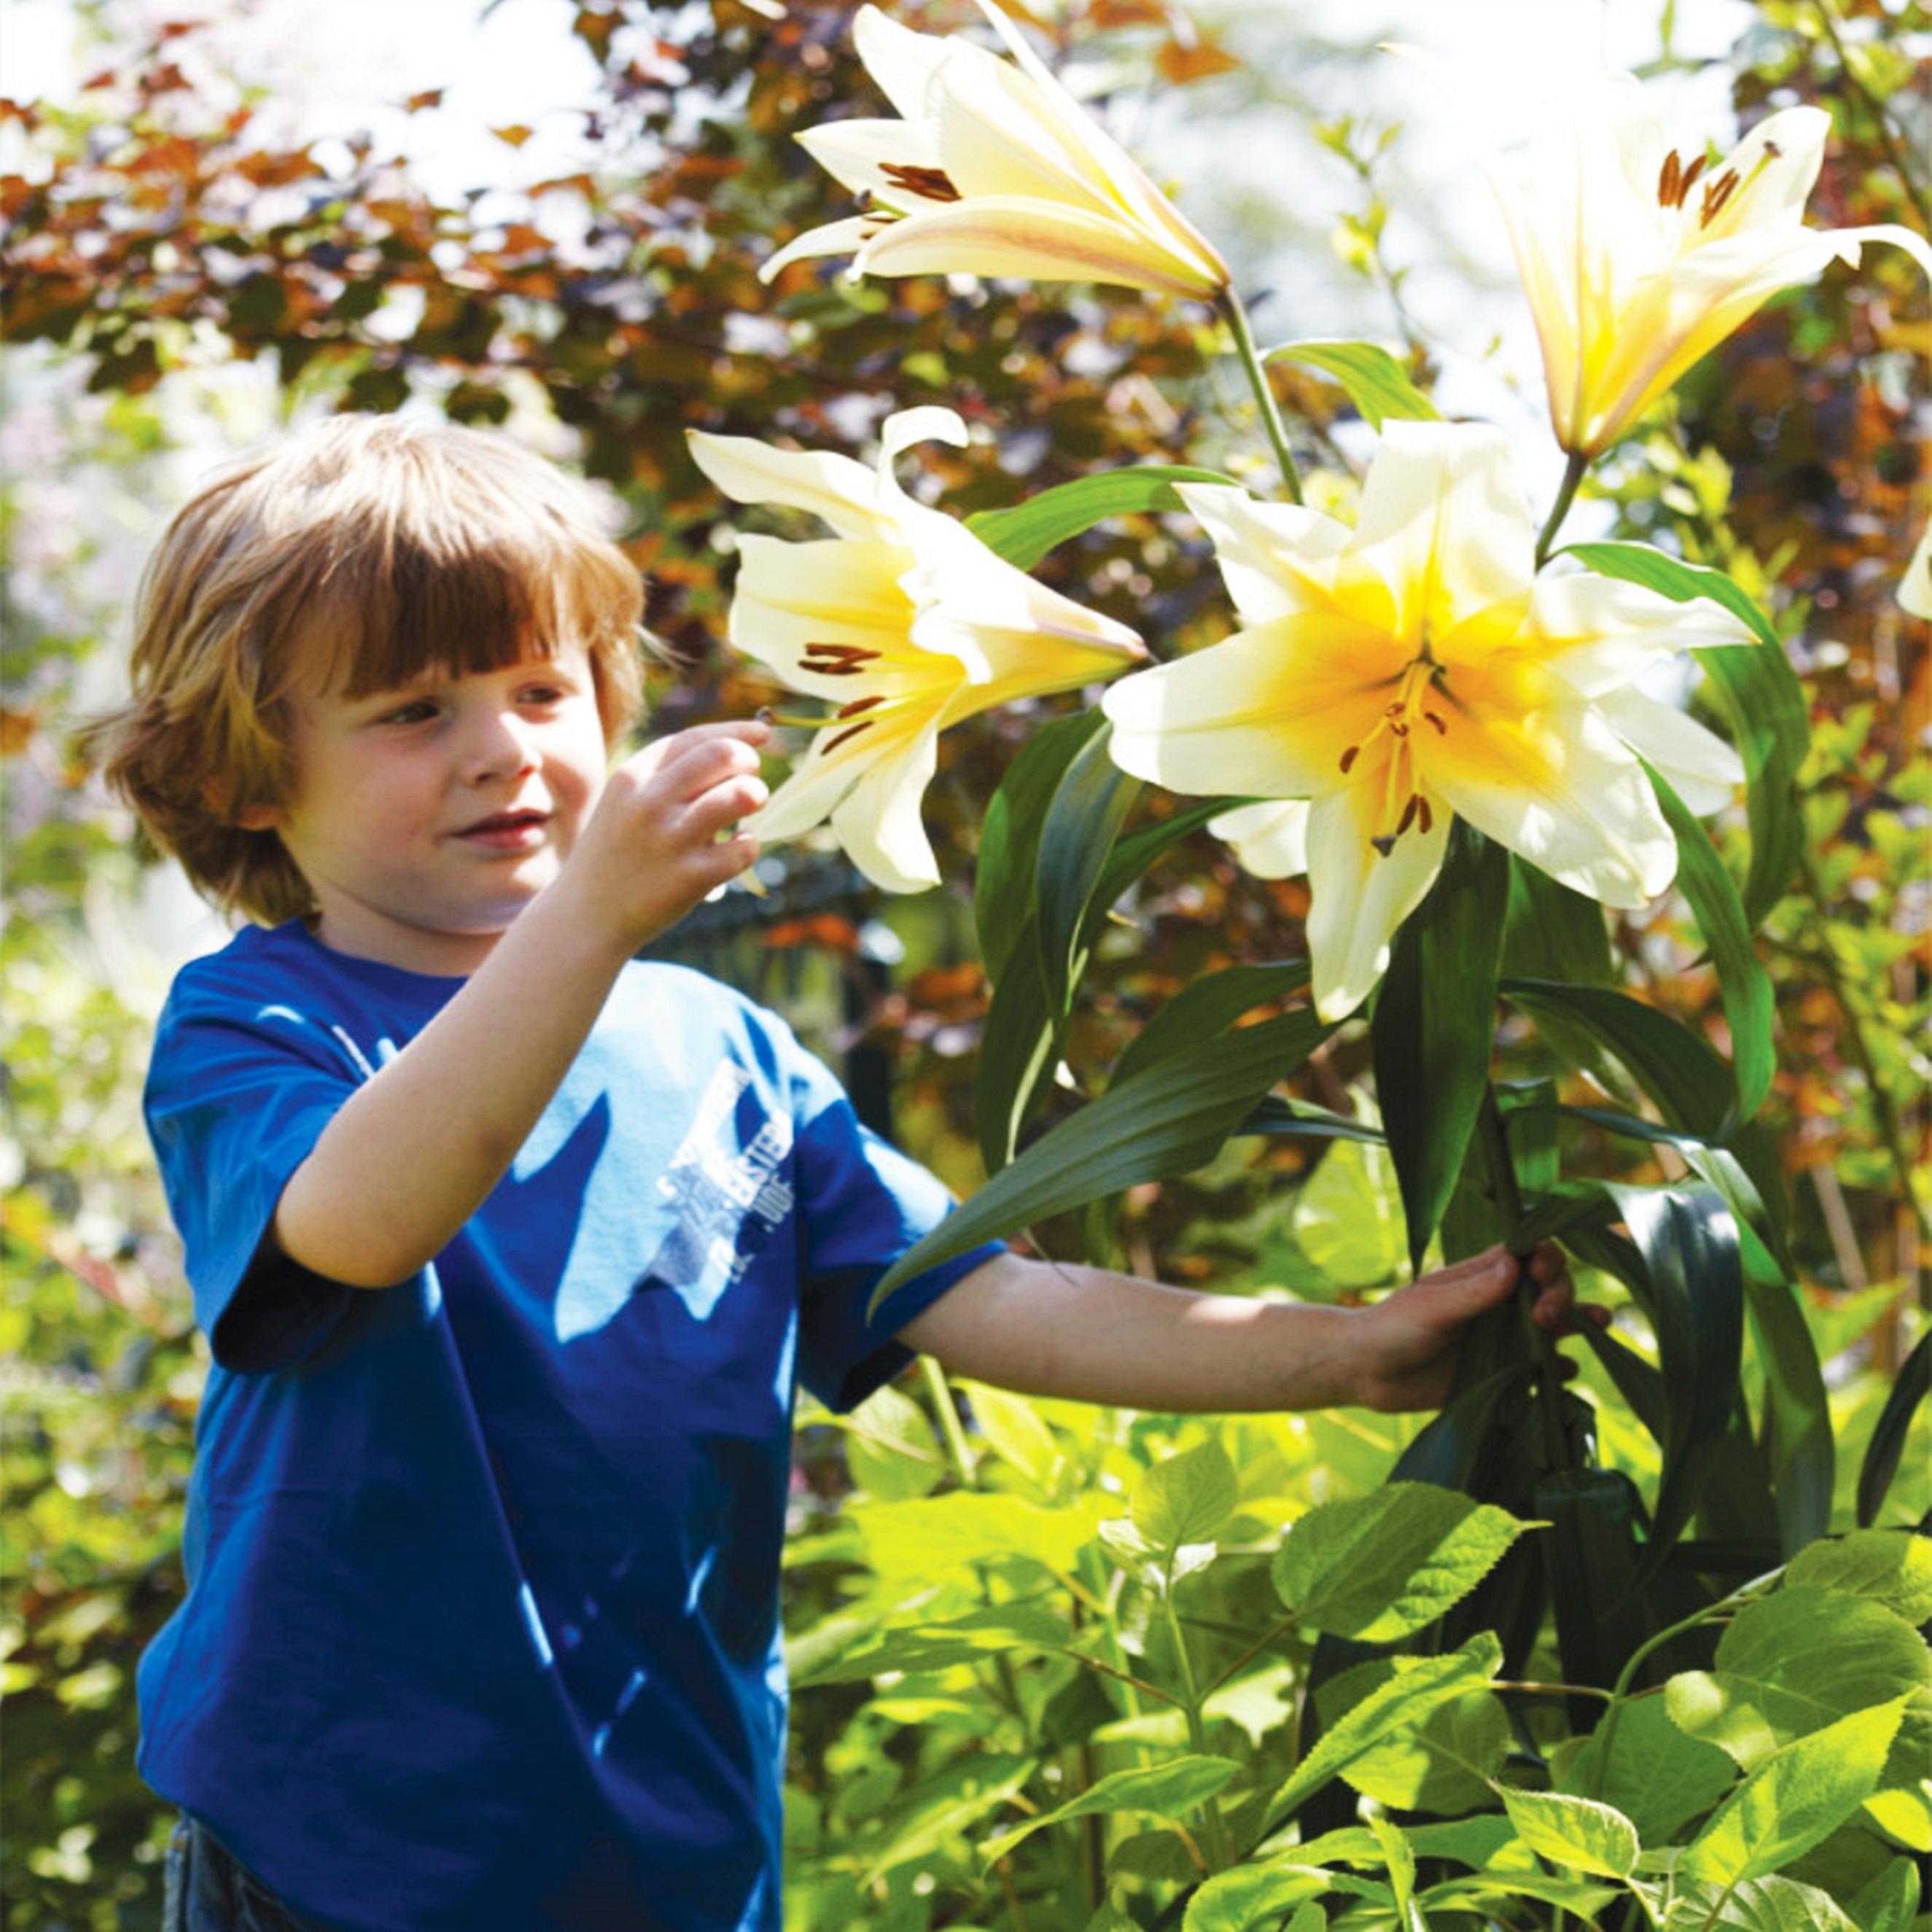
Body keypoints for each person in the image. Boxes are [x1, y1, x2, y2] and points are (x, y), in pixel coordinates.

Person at [88, 415, 1581, 1932]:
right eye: (413, 709)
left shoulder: (719, 1045)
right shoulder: (260, 1024)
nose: (505, 748)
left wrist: (1335, 1351)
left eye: (543, 686)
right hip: (342, 1843)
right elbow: (360, 1223)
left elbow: (984, 1292)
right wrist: (591, 918)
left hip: (663, 1830)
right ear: (250, 774)